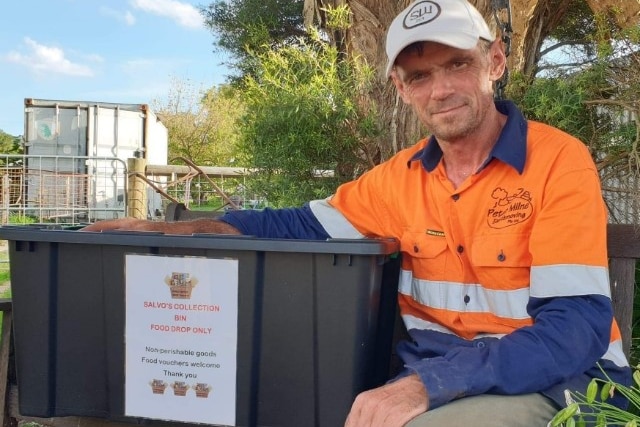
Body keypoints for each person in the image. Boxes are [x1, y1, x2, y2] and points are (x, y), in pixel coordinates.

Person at [83, 0, 632, 425]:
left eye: (457, 64)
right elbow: (301, 224)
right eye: (419, 76)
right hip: (433, 379)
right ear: (400, 88)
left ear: (494, 62)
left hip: (562, 384)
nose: (441, 89)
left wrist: (429, 384)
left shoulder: (558, 160)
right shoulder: (400, 177)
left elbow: (575, 331)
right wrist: (178, 227)